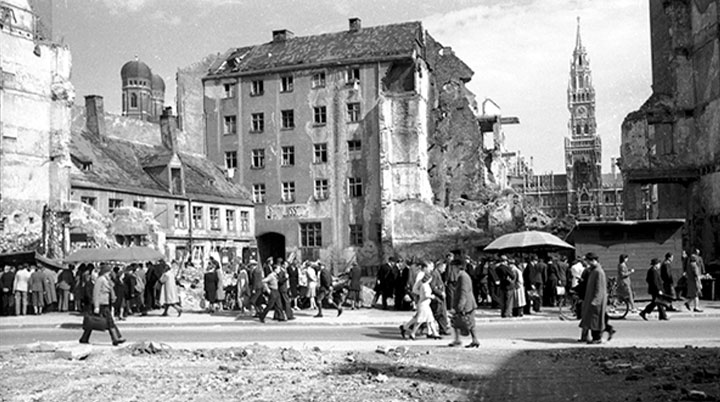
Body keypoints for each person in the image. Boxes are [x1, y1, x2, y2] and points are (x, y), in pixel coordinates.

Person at [79, 264, 126, 346]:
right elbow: (96, 293)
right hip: (100, 304)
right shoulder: (100, 280)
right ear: (105, 272)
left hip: (105, 303)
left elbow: (111, 289)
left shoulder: (107, 280)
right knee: (97, 321)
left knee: (97, 322)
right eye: (108, 272)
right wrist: (96, 306)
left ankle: (84, 338)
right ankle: (116, 338)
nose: (110, 273)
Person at [578, 253, 614, 344]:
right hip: (592, 299)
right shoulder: (594, 271)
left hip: (596, 300)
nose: (587, 263)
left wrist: (596, 300)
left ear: (593, 260)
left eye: (588, 261)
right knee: (593, 320)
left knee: (595, 320)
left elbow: (599, 288)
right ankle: (597, 336)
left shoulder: (598, 272)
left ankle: (597, 338)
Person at [401, 268, 441, 340]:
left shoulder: (423, 284)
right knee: (419, 320)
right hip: (424, 305)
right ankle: (412, 333)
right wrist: (432, 296)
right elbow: (426, 295)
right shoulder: (425, 286)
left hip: (425, 304)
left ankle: (435, 333)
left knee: (430, 319)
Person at [448, 260, 480, 348]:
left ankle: (471, 340)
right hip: (468, 303)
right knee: (466, 322)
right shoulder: (462, 276)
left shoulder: (463, 277)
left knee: (465, 322)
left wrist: (459, 307)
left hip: (466, 305)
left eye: (453, 267)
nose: (452, 269)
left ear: (458, 267)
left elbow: (463, 293)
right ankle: (468, 340)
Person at [429, 261, 450, 336]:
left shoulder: (438, 274)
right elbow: (433, 286)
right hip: (438, 297)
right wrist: (440, 293)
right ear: (439, 267)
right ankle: (443, 329)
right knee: (439, 314)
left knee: (442, 314)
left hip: (440, 297)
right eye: (443, 268)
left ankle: (443, 328)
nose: (444, 270)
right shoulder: (435, 274)